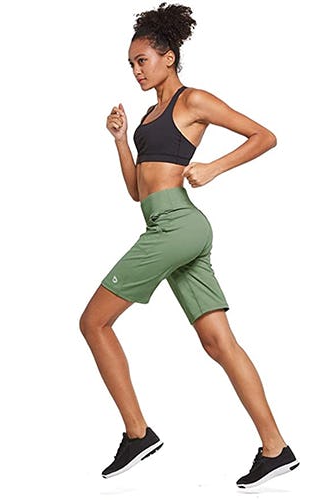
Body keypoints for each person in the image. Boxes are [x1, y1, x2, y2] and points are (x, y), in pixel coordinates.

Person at [79, 2, 299, 489]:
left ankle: (138, 434)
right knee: (218, 342)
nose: (136, 71)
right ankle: (276, 448)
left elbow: (264, 136)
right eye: (131, 64)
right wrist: (120, 140)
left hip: (176, 226)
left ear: (169, 57)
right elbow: (137, 191)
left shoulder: (192, 100)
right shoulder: (149, 115)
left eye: (142, 60)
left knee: (93, 322)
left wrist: (214, 168)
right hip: (170, 225)